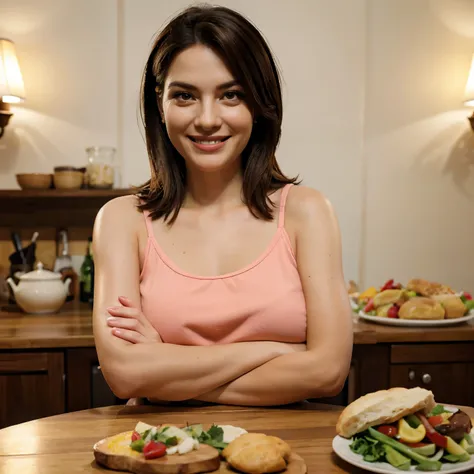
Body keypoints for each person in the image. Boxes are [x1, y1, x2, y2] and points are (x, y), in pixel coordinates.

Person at [92, 4, 353, 407]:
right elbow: (124, 375)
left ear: (259, 103)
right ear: (159, 103)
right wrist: (277, 351)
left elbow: (328, 371)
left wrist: (165, 366)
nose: (208, 119)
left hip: (292, 455)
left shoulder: (308, 213)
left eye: (231, 95)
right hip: (168, 455)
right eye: (185, 96)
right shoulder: (121, 221)